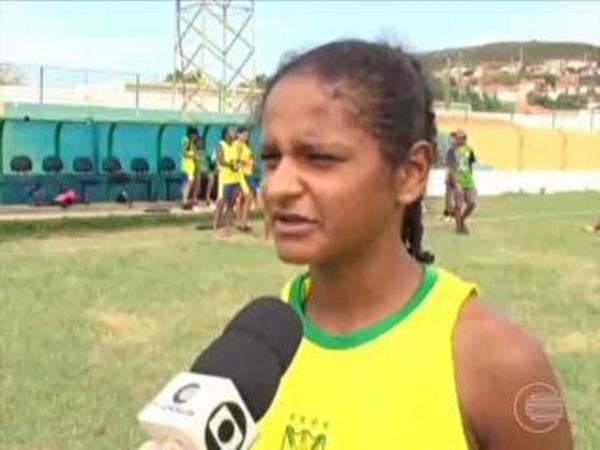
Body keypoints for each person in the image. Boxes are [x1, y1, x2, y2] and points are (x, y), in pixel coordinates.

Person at [253, 40, 572, 449]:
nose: (277, 187)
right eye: (271, 158)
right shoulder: (257, 347)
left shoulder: (496, 362)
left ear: (410, 173)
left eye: (319, 158)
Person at [212, 125, 240, 232]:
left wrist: (238, 163)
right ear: (226, 133)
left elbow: (238, 158)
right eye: (232, 131)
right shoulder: (221, 144)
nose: (234, 132)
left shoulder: (236, 145)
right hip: (225, 177)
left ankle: (227, 226)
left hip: (235, 177)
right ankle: (215, 226)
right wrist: (231, 164)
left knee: (231, 203)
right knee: (221, 202)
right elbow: (221, 160)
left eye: (234, 130)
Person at [453, 129, 478, 234]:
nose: (456, 140)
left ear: (464, 139)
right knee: (458, 205)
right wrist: (456, 182)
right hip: (458, 181)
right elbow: (451, 168)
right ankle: (459, 227)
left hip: (469, 181)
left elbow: (471, 165)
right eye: (456, 138)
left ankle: (462, 220)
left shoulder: (469, 150)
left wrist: (470, 178)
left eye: (458, 138)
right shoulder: (452, 151)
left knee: (472, 203)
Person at [235, 126, 257, 232]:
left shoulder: (244, 145)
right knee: (248, 196)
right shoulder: (237, 145)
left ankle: (241, 221)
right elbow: (237, 161)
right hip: (242, 174)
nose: (245, 136)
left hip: (248, 173)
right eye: (243, 134)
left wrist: (251, 160)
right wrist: (247, 162)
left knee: (244, 198)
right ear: (238, 134)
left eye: (246, 135)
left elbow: (249, 158)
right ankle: (242, 222)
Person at [180, 126, 200, 209]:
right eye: (194, 135)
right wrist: (192, 155)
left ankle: (185, 200)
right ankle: (184, 201)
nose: (195, 137)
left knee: (188, 183)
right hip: (186, 167)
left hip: (190, 167)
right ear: (191, 134)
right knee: (187, 183)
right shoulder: (186, 140)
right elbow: (184, 152)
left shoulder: (191, 142)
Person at [443, 131, 458, 221]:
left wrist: (446, 176)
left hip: (453, 173)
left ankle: (451, 214)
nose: (450, 140)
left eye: (451, 138)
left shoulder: (451, 150)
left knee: (450, 195)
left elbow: (449, 165)